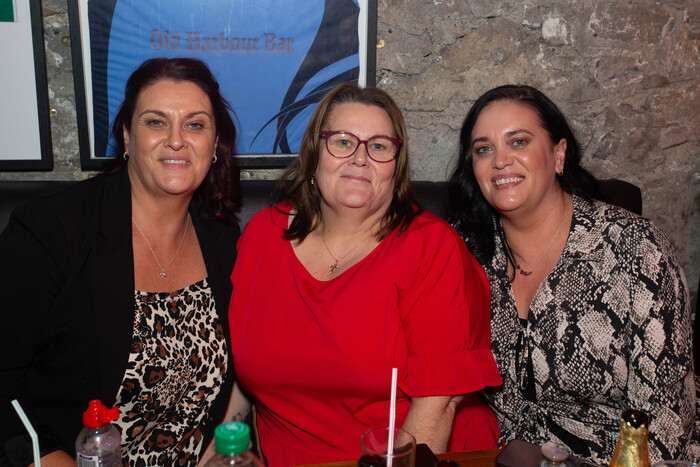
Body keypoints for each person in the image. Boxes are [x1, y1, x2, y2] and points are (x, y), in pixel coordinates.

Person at [227, 83, 502, 466]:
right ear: (314, 154)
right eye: (342, 142)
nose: (360, 159)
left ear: (396, 166)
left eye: (379, 146)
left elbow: (437, 407)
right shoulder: (262, 236)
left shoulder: (431, 249)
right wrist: (223, 449)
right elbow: (242, 371)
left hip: (411, 456)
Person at [0, 57, 242, 466]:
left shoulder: (223, 239)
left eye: (195, 125)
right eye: (156, 122)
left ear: (215, 144)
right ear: (127, 137)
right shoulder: (52, 230)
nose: (177, 140)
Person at [447, 84, 695, 464]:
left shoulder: (635, 249)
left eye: (518, 142)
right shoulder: (463, 252)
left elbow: (664, 424)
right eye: (484, 149)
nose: (500, 161)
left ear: (558, 155)